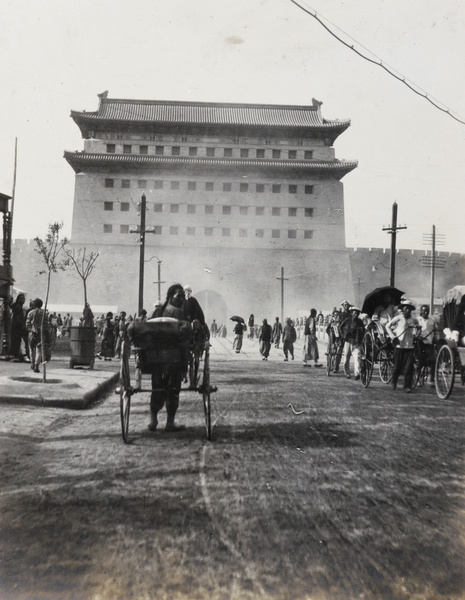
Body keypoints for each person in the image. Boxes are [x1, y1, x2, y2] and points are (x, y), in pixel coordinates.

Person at [148, 283, 189, 432]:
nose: (182, 299)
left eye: (183, 297)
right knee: (173, 390)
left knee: (157, 388)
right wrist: (185, 365)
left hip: (157, 357)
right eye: (179, 296)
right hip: (173, 358)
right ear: (171, 296)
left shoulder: (158, 312)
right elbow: (183, 340)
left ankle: (153, 421)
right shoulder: (178, 313)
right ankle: (169, 423)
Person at [386, 299, 420, 393]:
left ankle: (407, 386)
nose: (407, 311)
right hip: (399, 346)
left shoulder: (414, 319)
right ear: (402, 309)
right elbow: (387, 326)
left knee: (409, 367)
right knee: (397, 366)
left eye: (409, 309)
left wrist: (417, 335)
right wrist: (393, 337)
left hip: (409, 346)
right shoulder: (398, 318)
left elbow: (418, 328)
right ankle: (394, 381)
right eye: (406, 309)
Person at [340, 306, 365, 380]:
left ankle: (356, 374)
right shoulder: (347, 320)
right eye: (354, 313)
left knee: (357, 358)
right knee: (346, 358)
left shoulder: (360, 322)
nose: (355, 314)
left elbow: (363, 331)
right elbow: (340, 327)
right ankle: (347, 373)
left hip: (356, 342)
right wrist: (343, 335)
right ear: (351, 313)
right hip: (348, 341)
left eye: (357, 313)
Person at [418, 304, 439, 384]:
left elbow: (436, 331)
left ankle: (430, 377)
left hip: (429, 343)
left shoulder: (432, 321)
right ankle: (418, 377)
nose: (426, 312)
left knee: (433, 360)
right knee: (420, 360)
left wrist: (436, 338)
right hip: (420, 343)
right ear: (421, 311)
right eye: (424, 311)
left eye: (427, 311)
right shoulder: (418, 320)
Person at [26, 298, 45, 373]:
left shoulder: (31, 313)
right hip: (41, 333)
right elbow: (46, 324)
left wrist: (30, 329)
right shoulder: (44, 313)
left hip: (32, 333)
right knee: (39, 350)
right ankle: (37, 365)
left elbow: (27, 323)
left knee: (31, 348)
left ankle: (32, 363)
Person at [10, 293, 29, 362]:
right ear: (19, 299)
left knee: (17, 341)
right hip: (18, 327)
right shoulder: (18, 307)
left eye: (24, 299)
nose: (23, 300)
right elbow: (19, 319)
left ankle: (16, 355)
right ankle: (18, 355)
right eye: (22, 299)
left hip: (15, 326)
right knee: (19, 341)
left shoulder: (17, 306)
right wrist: (22, 325)